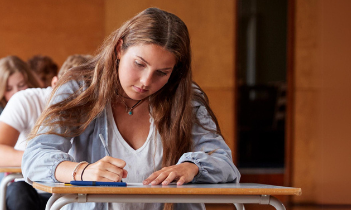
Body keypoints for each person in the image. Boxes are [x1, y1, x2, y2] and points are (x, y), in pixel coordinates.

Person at [13, 8, 240, 210]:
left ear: (175, 71)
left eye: (162, 73)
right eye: (139, 64)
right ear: (120, 48)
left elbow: (224, 162)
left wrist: (193, 167)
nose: (145, 81)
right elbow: (34, 157)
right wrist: (83, 172)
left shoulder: (187, 97)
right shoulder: (79, 87)